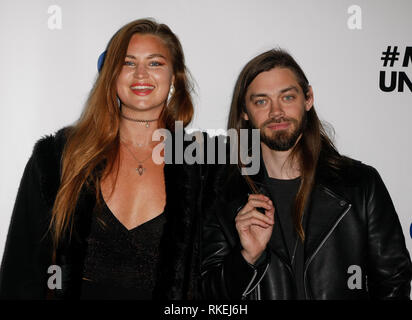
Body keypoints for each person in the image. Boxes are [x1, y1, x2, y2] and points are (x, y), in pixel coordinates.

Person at [0, 18, 202, 300]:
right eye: (128, 63)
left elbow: (213, 280)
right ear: (110, 74)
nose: (141, 74)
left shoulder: (202, 168)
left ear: (175, 78)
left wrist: (248, 256)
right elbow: (21, 273)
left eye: (155, 63)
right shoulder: (58, 157)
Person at [200, 49, 412, 299]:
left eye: (287, 97)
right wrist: (246, 258)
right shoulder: (224, 194)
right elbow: (207, 297)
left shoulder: (360, 184)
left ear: (308, 98)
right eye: (261, 101)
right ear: (245, 112)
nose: (276, 112)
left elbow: (394, 284)